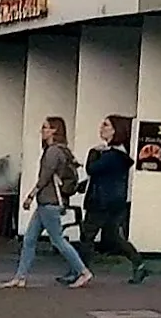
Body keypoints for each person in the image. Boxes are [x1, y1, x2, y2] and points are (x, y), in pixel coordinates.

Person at [2, 117, 92, 289]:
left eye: (45, 128)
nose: (42, 131)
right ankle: (20, 277)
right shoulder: (63, 151)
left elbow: (44, 178)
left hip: (49, 202)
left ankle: (83, 271)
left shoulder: (52, 152)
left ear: (54, 131)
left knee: (57, 240)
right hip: (48, 203)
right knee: (29, 239)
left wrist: (30, 196)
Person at [66, 115, 147, 285]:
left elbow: (92, 169)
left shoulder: (112, 155)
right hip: (113, 201)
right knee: (113, 238)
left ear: (115, 130)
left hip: (101, 201)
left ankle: (80, 271)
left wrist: (93, 153)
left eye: (106, 125)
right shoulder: (117, 155)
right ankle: (138, 263)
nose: (101, 127)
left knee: (87, 237)